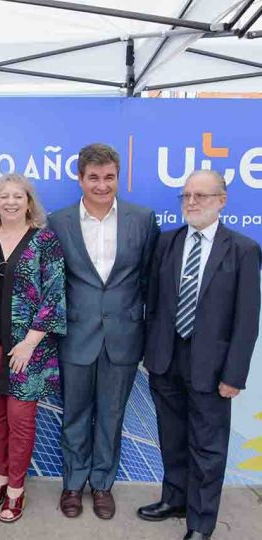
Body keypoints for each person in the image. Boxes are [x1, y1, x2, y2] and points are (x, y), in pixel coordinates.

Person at [137, 170, 261, 540]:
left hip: (213, 366)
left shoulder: (242, 249)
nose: (192, 202)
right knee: (171, 436)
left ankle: (201, 522)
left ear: (221, 201)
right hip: (166, 358)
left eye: (201, 196)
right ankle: (174, 499)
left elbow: (246, 320)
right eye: (187, 195)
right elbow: (153, 302)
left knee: (207, 446)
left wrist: (234, 375)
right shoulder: (166, 243)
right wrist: (150, 353)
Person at [47, 143, 159, 520]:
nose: (101, 185)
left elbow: (148, 280)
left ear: (118, 176)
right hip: (76, 336)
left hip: (124, 337)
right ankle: (73, 484)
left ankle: (102, 484)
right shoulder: (58, 221)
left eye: (108, 177)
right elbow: (52, 282)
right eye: (93, 177)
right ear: (79, 178)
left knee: (112, 415)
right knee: (74, 415)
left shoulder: (142, 219)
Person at [0, 174, 67, 523]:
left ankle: (16, 489)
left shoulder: (45, 241)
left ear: (29, 202)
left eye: (18, 196)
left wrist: (29, 343)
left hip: (29, 350)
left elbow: (54, 295)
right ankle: (1, 476)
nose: (10, 202)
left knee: (20, 421)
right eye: (3, 196)